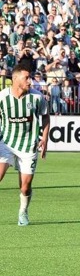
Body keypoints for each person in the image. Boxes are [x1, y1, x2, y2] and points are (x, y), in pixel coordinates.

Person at [0, 66, 50, 226]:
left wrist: (45, 139)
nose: (30, 81)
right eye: (26, 78)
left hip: (28, 146)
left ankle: (23, 212)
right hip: (6, 143)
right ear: (15, 79)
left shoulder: (36, 97)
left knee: (25, 187)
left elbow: (45, 116)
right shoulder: (2, 97)